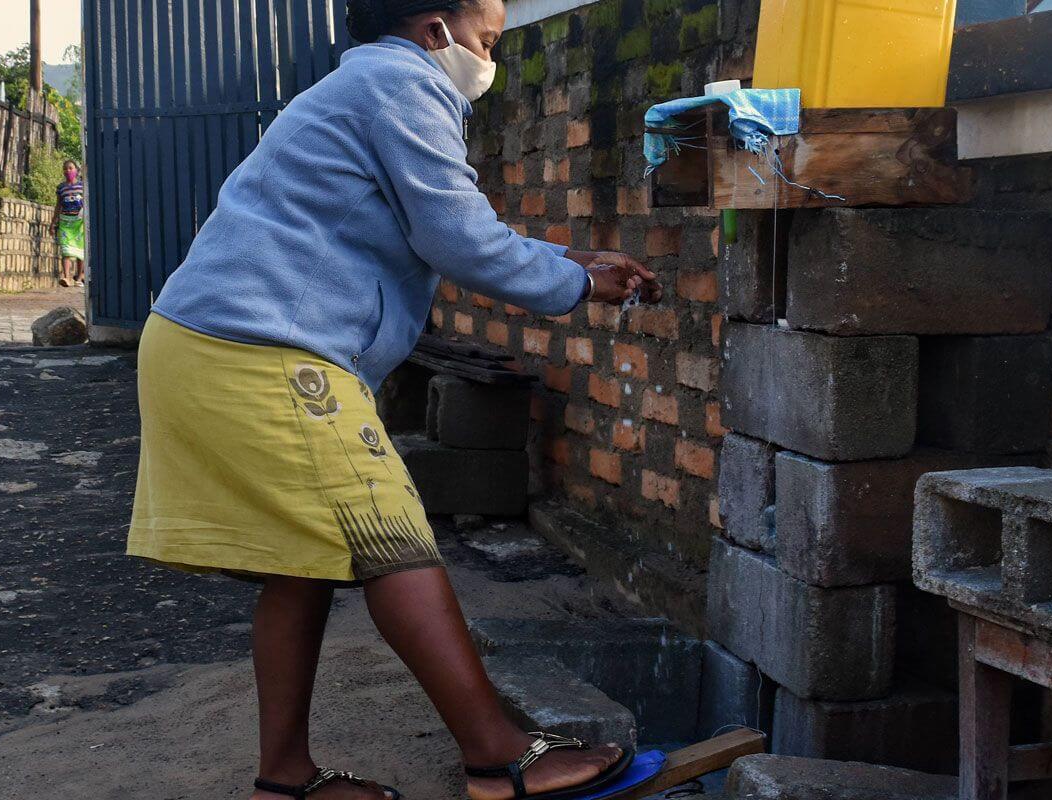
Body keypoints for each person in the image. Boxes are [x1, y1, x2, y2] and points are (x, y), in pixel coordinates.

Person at [126, 1, 661, 798]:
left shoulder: (370, 86)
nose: (491, 56)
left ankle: (284, 780)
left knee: (299, 563)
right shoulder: (402, 86)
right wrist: (577, 281)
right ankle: (499, 757)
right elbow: (458, 239)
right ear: (433, 28)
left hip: (208, 341)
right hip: (259, 349)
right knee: (388, 532)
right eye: (486, 38)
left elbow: (442, 226)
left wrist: (572, 258)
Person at [56, 160, 87, 286]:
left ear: (76, 170)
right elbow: (58, 205)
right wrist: (53, 223)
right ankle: (66, 277)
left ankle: (79, 277)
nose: (68, 171)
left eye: (70, 168)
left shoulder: (82, 186)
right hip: (65, 222)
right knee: (65, 250)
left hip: (79, 222)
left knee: (80, 250)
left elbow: (86, 202)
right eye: (65, 168)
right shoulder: (61, 188)